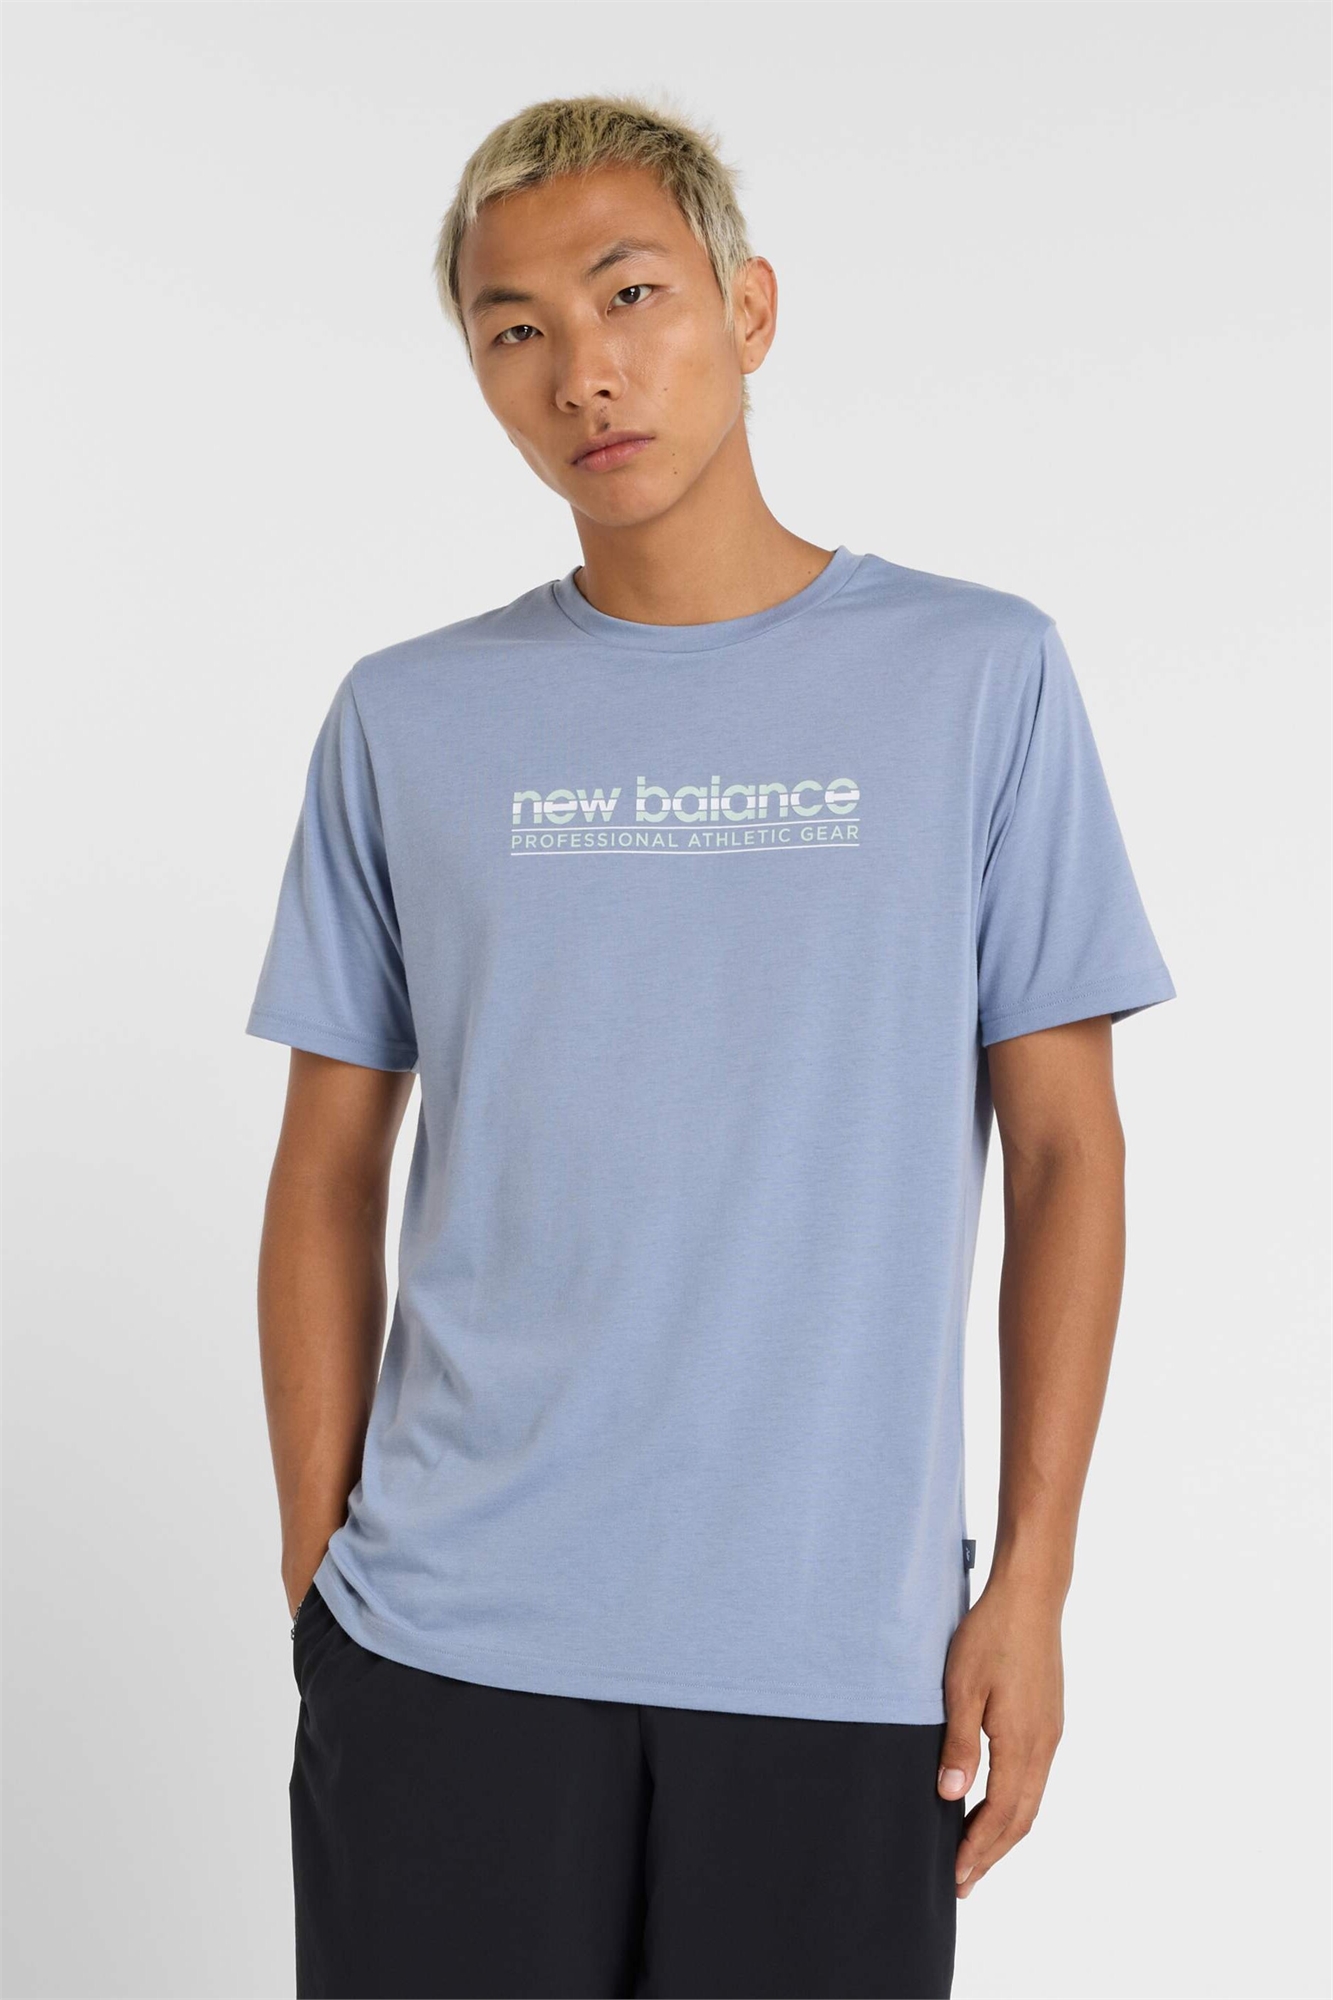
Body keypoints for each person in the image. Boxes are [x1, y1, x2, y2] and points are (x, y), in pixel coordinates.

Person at [247, 93, 1175, 2000]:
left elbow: (1065, 1149)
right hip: (446, 1646)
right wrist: (320, 1577)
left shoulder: (976, 677)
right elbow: (329, 1162)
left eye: (630, 295)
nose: (583, 371)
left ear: (746, 308)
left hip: (836, 1659)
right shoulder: (408, 718)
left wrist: (1033, 1581)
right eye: (514, 329)